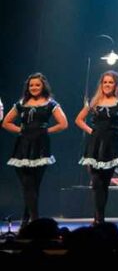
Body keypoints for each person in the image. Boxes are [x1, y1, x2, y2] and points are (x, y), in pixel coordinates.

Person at [2, 73, 68, 228]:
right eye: (31, 85)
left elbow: (63, 124)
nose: (34, 88)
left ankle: (29, 221)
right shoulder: (21, 103)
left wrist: (44, 131)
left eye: (37, 85)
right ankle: (33, 220)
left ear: (43, 86)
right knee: (27, 184)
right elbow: (6, 122)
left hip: (40, 147)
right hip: (22, 147)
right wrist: (21, 130)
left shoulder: (51, 104)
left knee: (34, 185)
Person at [75, 70, 118, 224]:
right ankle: (98, 218)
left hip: (111, 145)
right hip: (94, 145)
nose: (107, 85)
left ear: (116, 85)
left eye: (111, 82)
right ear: (101, 84)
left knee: (104, 183)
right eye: (105, 82)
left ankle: (100, 218)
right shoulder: (94, 101)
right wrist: (91, 131)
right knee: (96, 183)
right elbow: (79, 119)